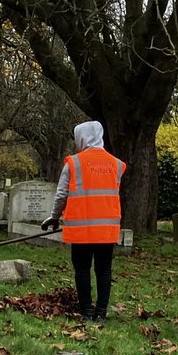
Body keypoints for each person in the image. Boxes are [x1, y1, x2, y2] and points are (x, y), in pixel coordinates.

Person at [41, 120, 126, 324]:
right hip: (106, 228)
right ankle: (102, 313)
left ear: (82, 137)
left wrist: (54, 217)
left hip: (82, 228)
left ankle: (87, 311)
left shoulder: (74, 163)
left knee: (82, 269)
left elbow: (62, 194)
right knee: (104, 269)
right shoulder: (116, 164)